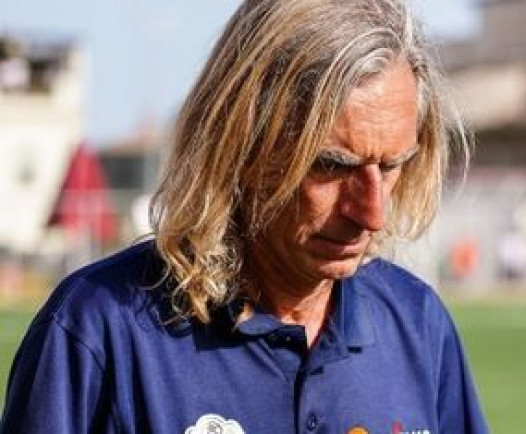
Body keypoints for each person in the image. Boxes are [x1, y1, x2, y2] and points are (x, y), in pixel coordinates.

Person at [1, 1, 488, 433]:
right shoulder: (100, 331)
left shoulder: (418, 324)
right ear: (241, 144)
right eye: (331, 166)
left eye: (392, 165)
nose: (371, 212)